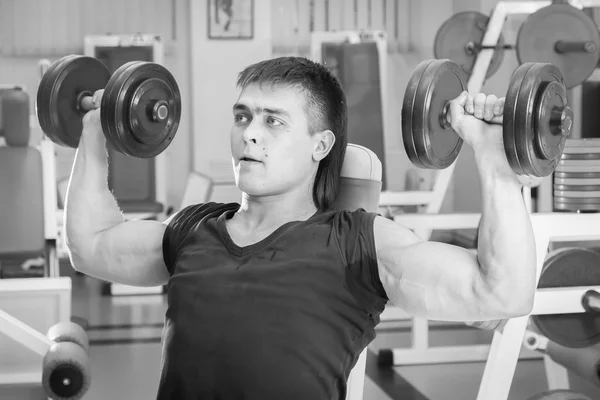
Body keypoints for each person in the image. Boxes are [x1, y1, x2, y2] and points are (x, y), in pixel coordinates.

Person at [64, 56, 537, 400]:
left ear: (320, 145)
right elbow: (91, 246)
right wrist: (92, 129)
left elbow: (499, 293)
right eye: (243, 116)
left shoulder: (357, 243)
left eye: (274, 121)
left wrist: (495, 165)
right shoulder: (194, 230)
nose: (250, 133)